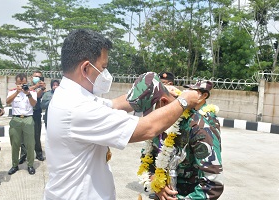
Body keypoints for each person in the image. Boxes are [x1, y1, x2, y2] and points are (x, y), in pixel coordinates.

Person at [44, 29, 199, 200]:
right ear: (86, 68)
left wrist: (155, 90)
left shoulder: (71, 95)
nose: (105, 74)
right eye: (103, 68)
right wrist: (184, 101)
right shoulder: (77, 108)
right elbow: (147, 128)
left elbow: (116, 104)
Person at [128, 78, 223, 200]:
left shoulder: (198, 126)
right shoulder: (156, 126)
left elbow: (213, 185)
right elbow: (146, 160)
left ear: (162, 102)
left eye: (147, 114)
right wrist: (155, 183)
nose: (146, 120)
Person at [6, 73, 37, 175]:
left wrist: (27, 93)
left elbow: (34, 104)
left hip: (28, 119)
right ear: (16, 83)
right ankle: (14, 165)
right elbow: (7, 102)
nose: (22, 85)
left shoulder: (32, 91)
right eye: (20, 83)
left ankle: (30, 165)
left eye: (24, 83)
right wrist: (17, 92)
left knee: (30, 144)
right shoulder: (12, 92)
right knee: (15, 144)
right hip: (16, 119)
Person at [19, 70, 46, 164]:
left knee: (37, 134)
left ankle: (38, 153)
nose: (37, 78)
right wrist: (36, 86)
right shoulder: (26, 85)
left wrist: (42, 88)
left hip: (36, 112)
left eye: (39, 76)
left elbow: (38, 96)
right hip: (26, 113)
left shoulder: (40, 86)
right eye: (35, 76)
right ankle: (23, 155)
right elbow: (25, 91)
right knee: (23, 136)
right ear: (31, 77)